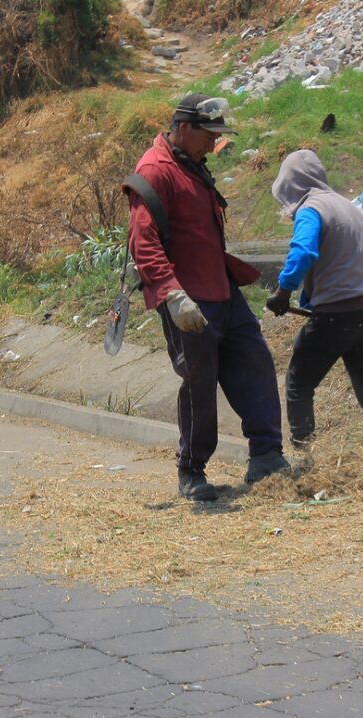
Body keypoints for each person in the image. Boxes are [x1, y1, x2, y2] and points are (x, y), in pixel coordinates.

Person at [127, 93, 290, 502]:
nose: (214, 144)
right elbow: (142, 242)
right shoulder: (155, 170)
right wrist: (172, 295)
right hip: (189, 298)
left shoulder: (192, 164)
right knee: (200, 383)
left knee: (254, 364)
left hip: (222, 290)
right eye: (209, 135)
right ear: (184, 127)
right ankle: (192, 469)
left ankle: (267, 456)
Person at [265, 150, 363, 469]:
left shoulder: (311, 209)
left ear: (292, 184)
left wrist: (284, 291)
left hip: (334, 315)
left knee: (299, 381)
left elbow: (303, 252)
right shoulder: (347, 207)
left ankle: (304, 456)